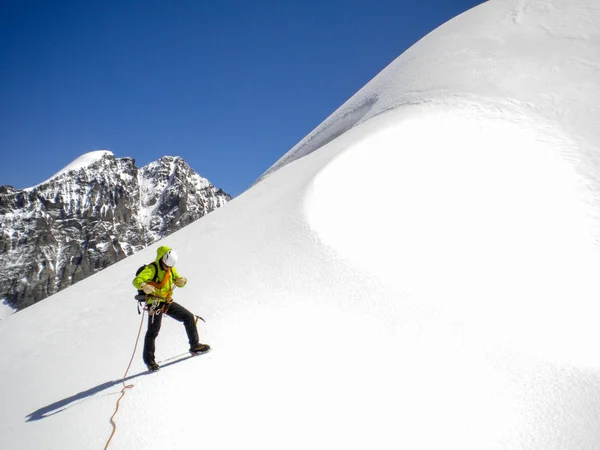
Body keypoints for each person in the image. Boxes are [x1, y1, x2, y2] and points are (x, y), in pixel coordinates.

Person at [132, 245, 210, 371]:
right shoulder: (152, 269)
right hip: (155, 304)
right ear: (161, 259)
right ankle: (150, 361)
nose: (168, 268)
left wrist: (181, 281)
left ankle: (195, 345)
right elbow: (136, 280)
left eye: (170, 266)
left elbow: (177, 279)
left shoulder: (170, 269)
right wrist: (143, 285)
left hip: (166, 301)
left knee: (188, 317)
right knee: (153, 332)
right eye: (167, 265)